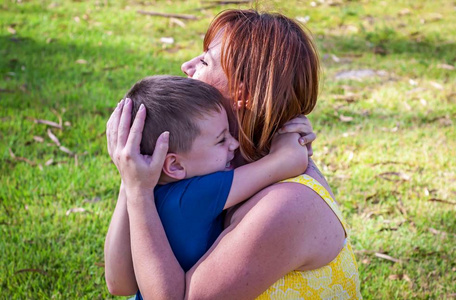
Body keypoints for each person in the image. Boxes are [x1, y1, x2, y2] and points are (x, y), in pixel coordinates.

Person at [105, 9, 361, 300]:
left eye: (204, 61)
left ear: (244, 94)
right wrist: (133, 180)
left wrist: (139, 192)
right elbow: (121, 284)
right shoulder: (209, 167)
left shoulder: (287, 203)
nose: (186, 66)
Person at [122, 74, 307, 275]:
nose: (234, 144)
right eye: (221, 140)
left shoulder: (153, 186)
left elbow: (118, 283)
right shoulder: (196, 194)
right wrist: (290, 130)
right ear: (174, 165)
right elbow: (289, 161)